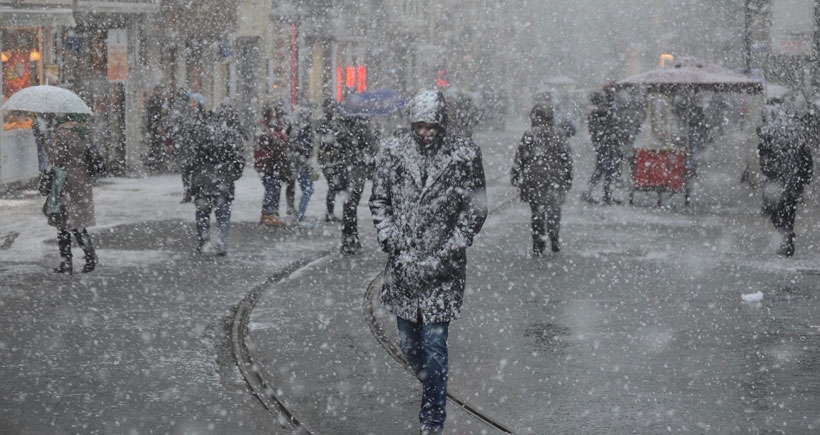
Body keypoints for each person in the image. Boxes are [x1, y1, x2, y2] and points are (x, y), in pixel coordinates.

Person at [369, 89, 488, 435]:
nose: (425, 133)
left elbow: (475, 210)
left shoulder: (464, 155)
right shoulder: (393, 151)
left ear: (443, 123)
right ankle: (431, 384)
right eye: (419, 126)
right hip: (404, 268)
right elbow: (379, 202)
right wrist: (392, 240)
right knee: (408, 344)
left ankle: (432, 417)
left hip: (443, 271)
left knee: (435, 344)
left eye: (431, 126)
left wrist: (447, 252)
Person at [511, 103, 573, 255]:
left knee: (536, 212)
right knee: (554, 210)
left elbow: (520, 157)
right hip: (555, 179)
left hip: (534, 179)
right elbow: (566, 158)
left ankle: (538, 242)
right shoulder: (559, 134)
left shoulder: (530, 134)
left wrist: (515, 175)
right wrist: (568, 176)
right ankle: (554, 237)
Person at [42, 114, 98, 274]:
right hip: (82, 180)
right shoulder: (84, 132)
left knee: (63, 225)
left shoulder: (63, 133)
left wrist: (45, 142)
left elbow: (57, 157)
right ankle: (90, 256)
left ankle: (66, 262)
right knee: (77, 223)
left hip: (66, 181)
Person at [757, 105, 813, 257]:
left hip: (777, 182)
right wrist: (806, 177)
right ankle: (787, 235)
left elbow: (764, 157)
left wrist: (768, 171)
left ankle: (785, 236)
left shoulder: (770, 134)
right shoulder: (798, 135)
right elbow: (807, 159)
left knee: (777, 212)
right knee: (789, 211)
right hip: (794, 182)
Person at [190, 107, 246, 256]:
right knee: (223, 215)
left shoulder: (202, 135)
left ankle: (204, 241)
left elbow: (192, 162)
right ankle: (221, 243)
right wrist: (232, 175)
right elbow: (239, 160)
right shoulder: (231, 136)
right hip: (223, 182)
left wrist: (193, 183)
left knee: (202, 213)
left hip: (203, 181)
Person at [335, 114, 378, 254]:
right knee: (352, 205)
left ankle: (347, 239)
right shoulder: (362, 128)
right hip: (356, 171)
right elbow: (373, 148)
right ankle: (351, 239)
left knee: (348, 206)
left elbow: (335, 150)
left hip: (343, 171)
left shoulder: (340, 129)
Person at [254, 101, 291, 226]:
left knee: (273, 187)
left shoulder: (270, 125)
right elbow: (271, 138)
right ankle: (267, 214)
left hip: (270, 161)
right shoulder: (263, 126)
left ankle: (268, 214)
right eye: (271, 113)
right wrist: (280, 137)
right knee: (271, 187)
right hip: (266, 162)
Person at [582, 91, 617, 204]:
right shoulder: (601, 112)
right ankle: (603, 194)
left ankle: (597, 193)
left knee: (602, 169)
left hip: (602, 143)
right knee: (605, 169)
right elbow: (607, 127)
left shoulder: (595, 112)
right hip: (605, 143)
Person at [285, 107, 316, 224]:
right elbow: (305, 147)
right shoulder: (304, 130)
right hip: (302, 164)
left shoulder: (294, 128)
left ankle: (299, 213)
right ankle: (301, 215)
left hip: (296, 163)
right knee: (308, 190)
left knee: (305, 189)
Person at [315, 99, 345, 222]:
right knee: (333, 185)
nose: (333, 111)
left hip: (336, 158)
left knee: (336, 185)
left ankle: (331, 212)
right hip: (327, 159)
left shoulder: (337, 121)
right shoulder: (323, 122)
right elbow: (324, 139)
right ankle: (330, 213)